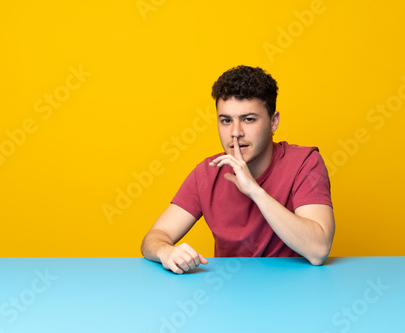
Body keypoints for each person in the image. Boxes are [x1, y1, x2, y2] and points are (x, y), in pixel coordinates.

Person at [141, 65, 335, 274]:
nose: (235, 133)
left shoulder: (305, 163)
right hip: (228, 292)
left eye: (248, 119)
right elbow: (154, 237)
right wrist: (165, 252)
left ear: (273, 122)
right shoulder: (207, 173)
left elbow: (318, 250)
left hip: (293, 292)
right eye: (226, 121)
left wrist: (254, 191)